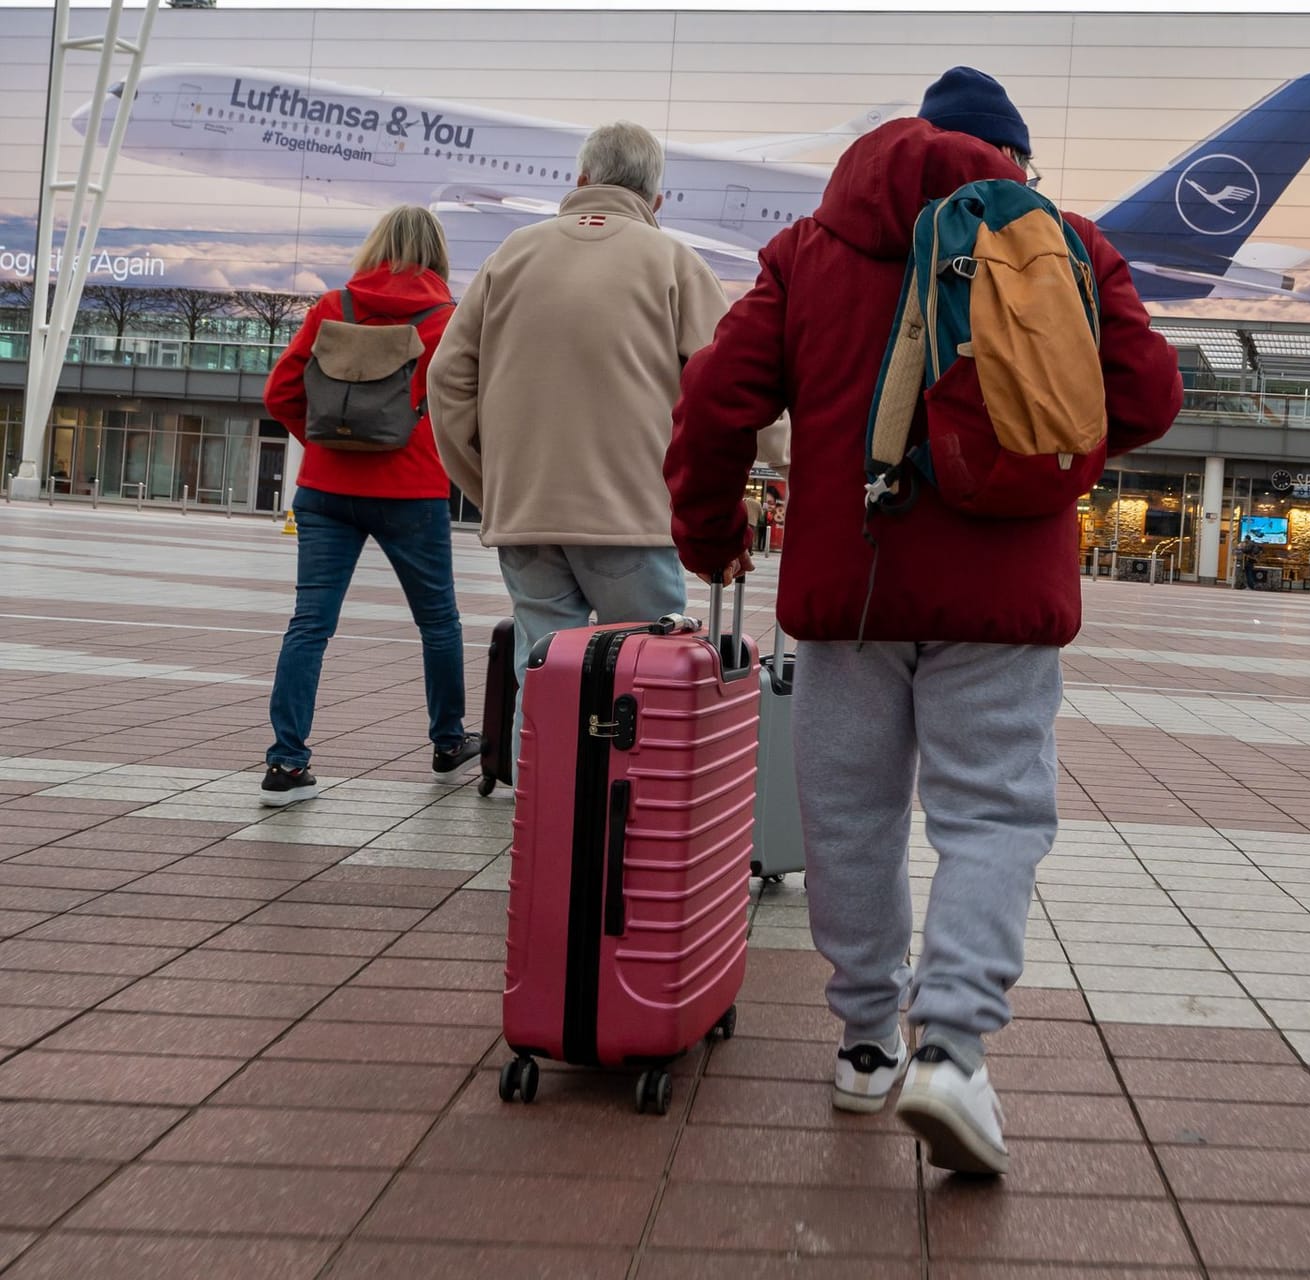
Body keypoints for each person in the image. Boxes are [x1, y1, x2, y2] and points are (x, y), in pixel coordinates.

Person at [666, 67, 1182, 1175]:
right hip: (1004, 591)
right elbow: (1146, 395)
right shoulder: (1067, 241)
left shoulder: (812, 247)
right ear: (1014, 159)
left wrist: (710, 535)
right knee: (993, 814)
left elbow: (716, 401)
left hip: (849, 586)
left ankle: (865, 1045)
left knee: (849, 814)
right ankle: (953, 1043)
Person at [429, 122, 728, 740]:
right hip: (633, 518)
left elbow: (446, 380)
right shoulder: (675, 262)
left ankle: (539, 826)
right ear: (657, 201)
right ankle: (630, 828)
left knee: (541, 675)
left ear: (582, 180)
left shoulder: (510, 255)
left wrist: (490, 486)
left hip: (528, 512)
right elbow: (724, 387)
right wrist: (780, 464)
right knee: (644, 679)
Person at [259, 206, 478, 807]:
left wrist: (328, 446)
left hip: (326, 493)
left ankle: (286, 765)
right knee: (438, 624)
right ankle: (447, 742)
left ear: (375, 245)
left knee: (310, 625)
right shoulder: (447, 320)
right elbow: (468, 409)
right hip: (411, 492)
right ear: (437, 252)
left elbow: (279, 392)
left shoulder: (333, 307)